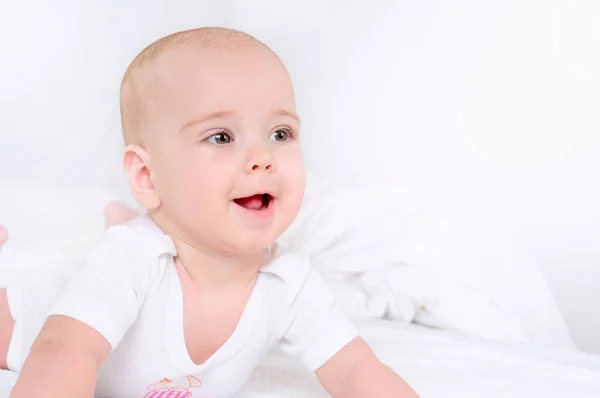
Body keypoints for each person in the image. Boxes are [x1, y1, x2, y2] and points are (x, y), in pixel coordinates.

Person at [1, 27, 419, 397]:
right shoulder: (134, 259)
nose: (262, 157)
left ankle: (120, 216)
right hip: (30, 327)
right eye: (221, 137)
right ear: (147, 177)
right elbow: (65, 350)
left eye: (280, 133)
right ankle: (113, 224)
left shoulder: (289, 285)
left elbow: (353, 369)